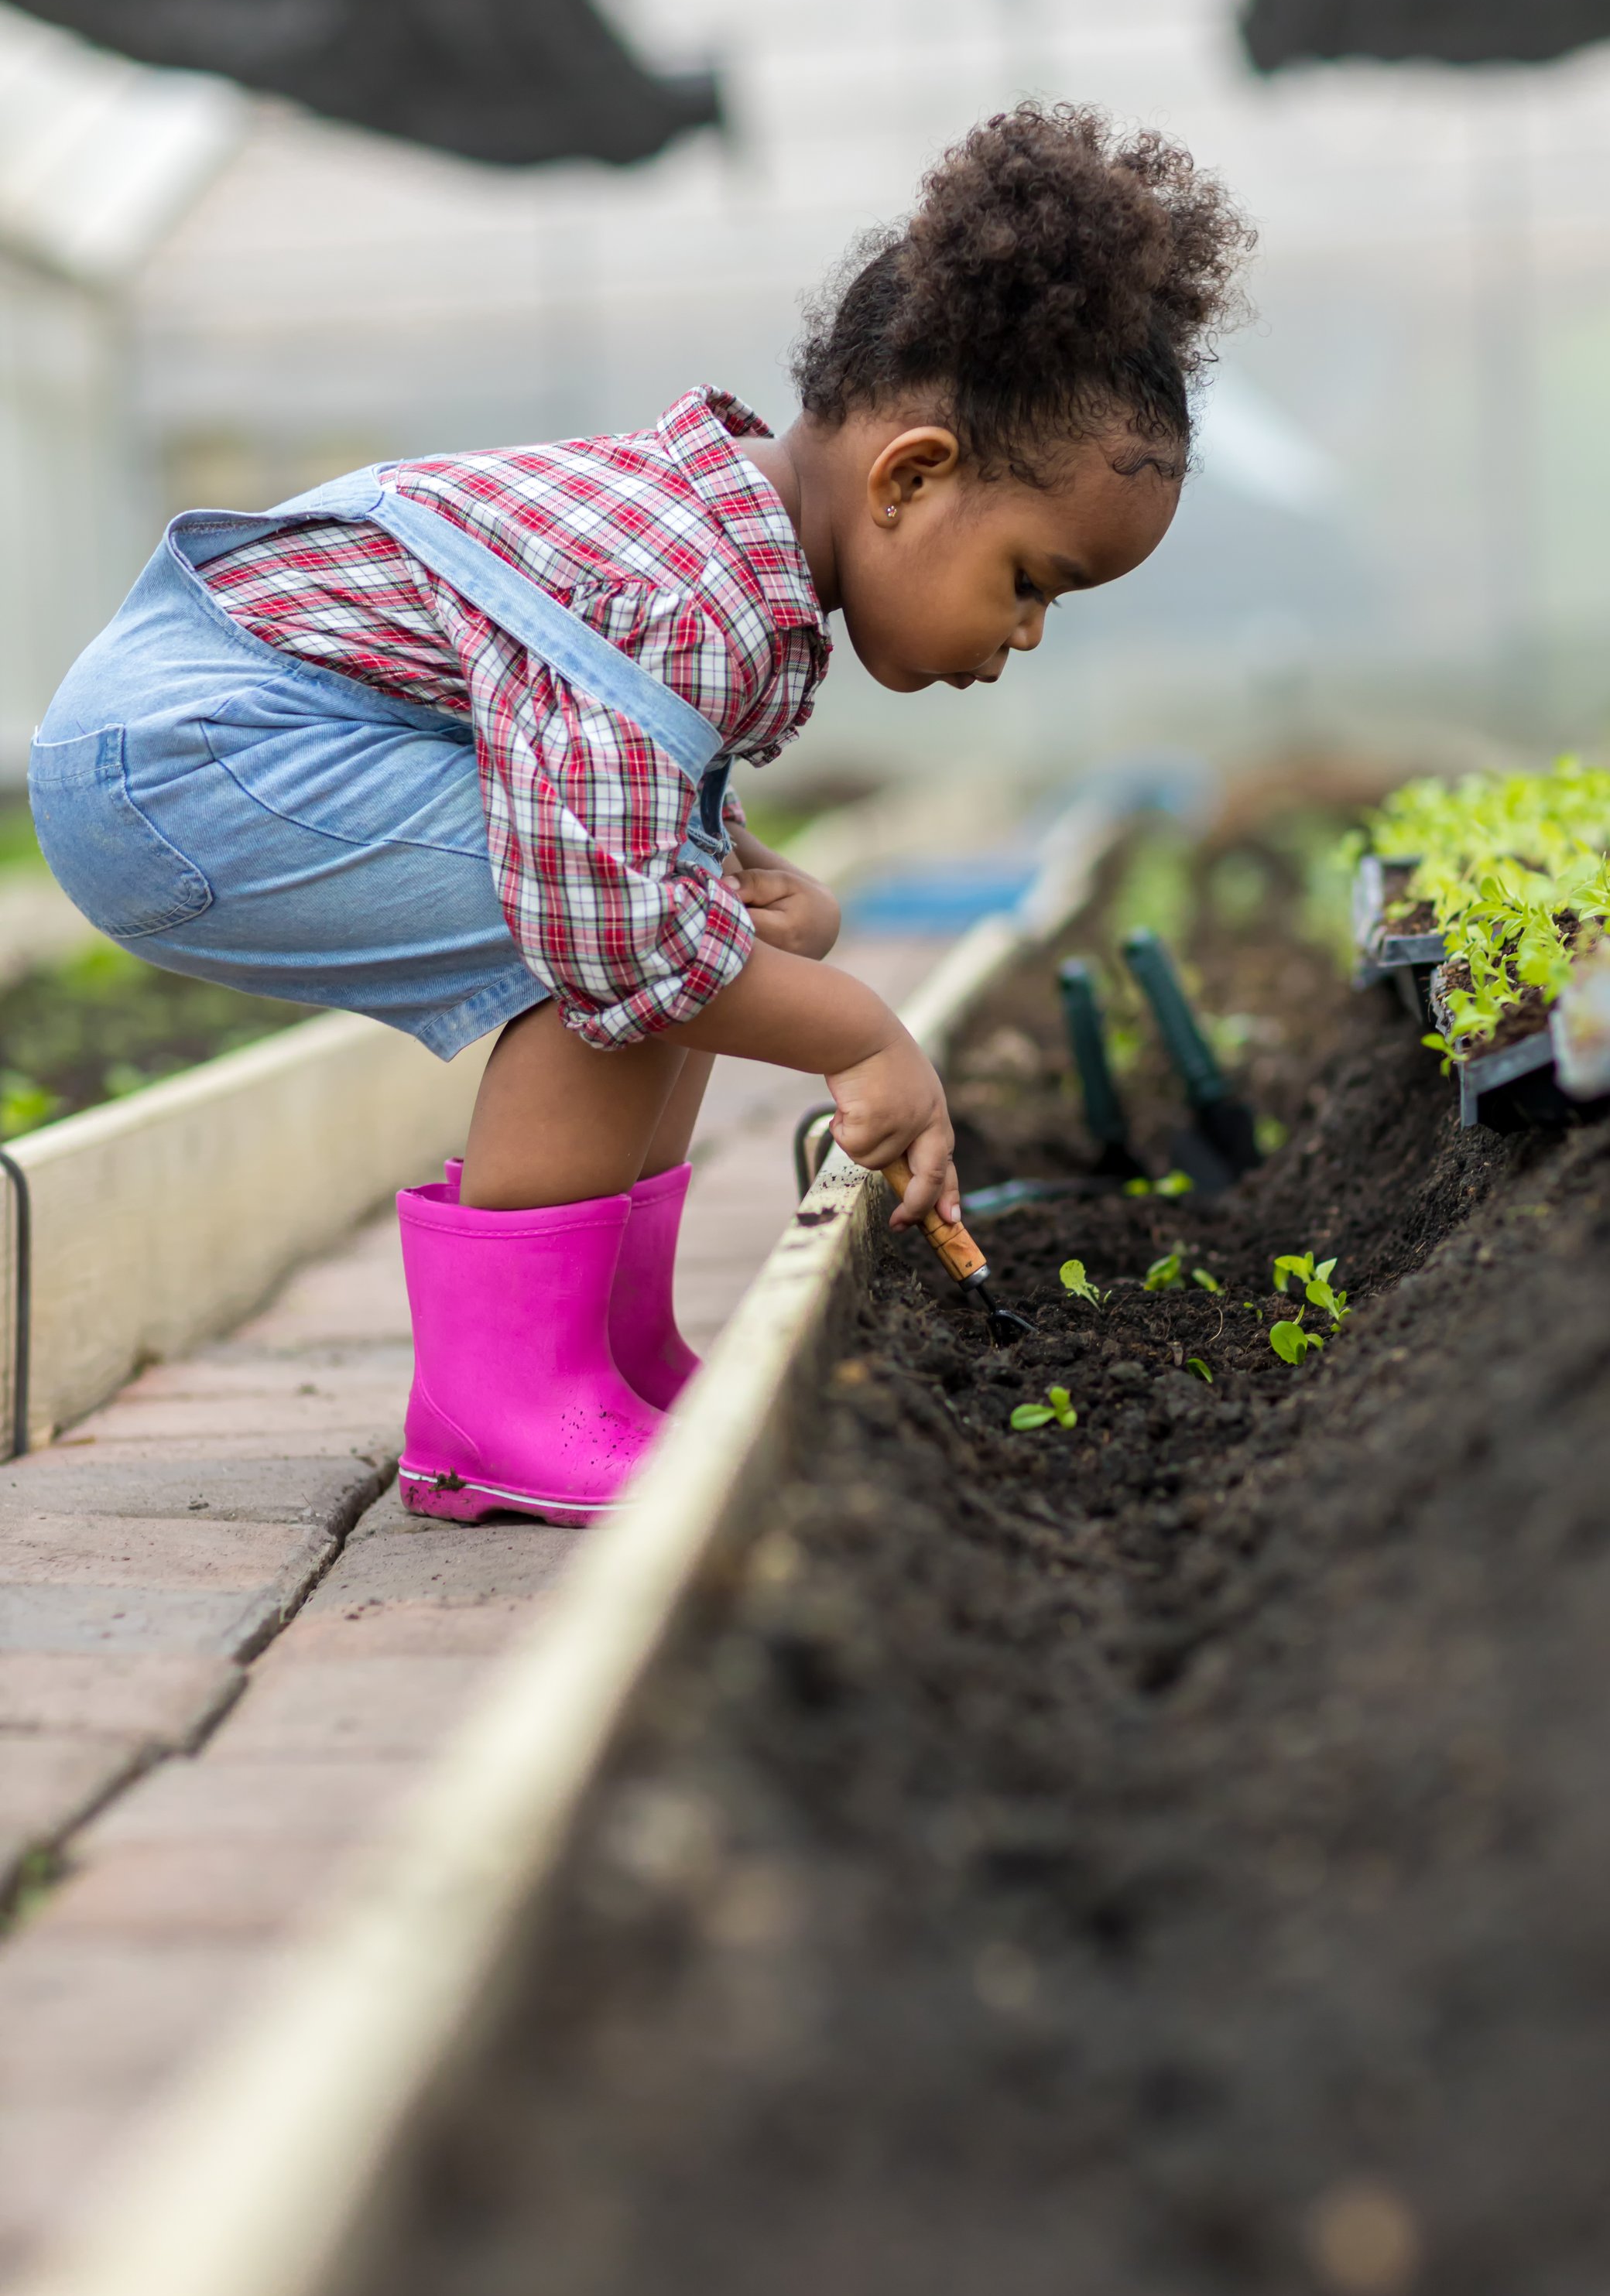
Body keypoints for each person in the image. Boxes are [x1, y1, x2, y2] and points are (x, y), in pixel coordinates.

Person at [29, 104, 1253, 1525]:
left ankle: (599, 1355)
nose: (1029, 633)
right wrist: (861, 1028)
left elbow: (609, 806)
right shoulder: (691, 591)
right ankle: (508, 1400)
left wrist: (762, 904)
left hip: (212, 743)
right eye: (1033, 580)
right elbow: (615, 928)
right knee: (623, 946)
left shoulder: (727, 548)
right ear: (910, 478)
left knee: (672, 925)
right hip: (185, 758)